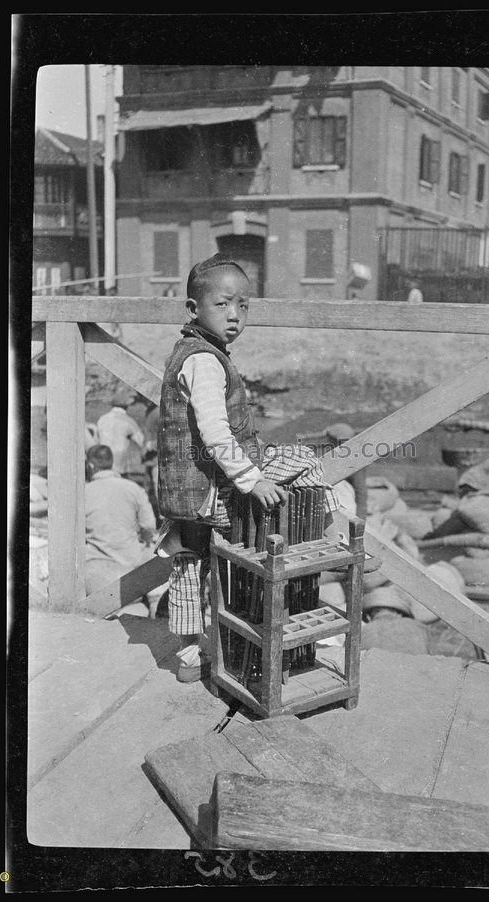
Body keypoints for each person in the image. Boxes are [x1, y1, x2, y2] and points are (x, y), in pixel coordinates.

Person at [156, 253, 339, 682]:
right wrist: (252, 479)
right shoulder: (205, 361)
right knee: (306, 459)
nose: (234, 315)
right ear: (193, 309)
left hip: (185, 497)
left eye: (243, 305)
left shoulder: (185, 353)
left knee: (189, 559)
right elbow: (217, 434)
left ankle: (188, 656)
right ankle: (334, 528)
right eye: (222, 305)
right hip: (218, 490)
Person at [84, 444, 163, 616]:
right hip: (132, 574)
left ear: (90, 465)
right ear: (111, 463)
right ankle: (154, 603)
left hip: (99, 578)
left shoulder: (83, 492)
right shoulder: (133, 488)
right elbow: (149, 528)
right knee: (156, 550)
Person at [96, 385, 145, 484]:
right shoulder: (129, 421)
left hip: (103, 462)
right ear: (128, 404)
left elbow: (96, 441)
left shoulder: (102, 419)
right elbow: (141, 442)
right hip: (120, 466)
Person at [325, 422, 368, 520]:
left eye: (330, 440)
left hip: (347, 504)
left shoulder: (353, 459)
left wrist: (360, 518)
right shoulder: (336, 455)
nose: (328, 442)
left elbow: (361, 491)